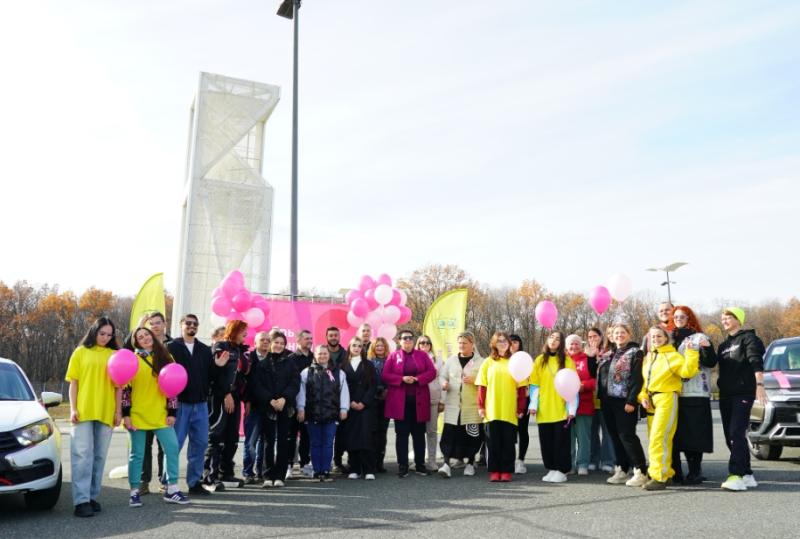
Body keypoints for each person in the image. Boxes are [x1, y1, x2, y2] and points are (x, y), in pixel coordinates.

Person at [122, 327, 189, 507]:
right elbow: (125, 391)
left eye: (146, 335)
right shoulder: (132, 360)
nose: (144, 338)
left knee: (172, 448)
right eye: (140, 337)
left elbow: (173, 388)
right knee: (137, 455)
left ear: (152, 336)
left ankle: (172, 488)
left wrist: (172, 412)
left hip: (160, 415)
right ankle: (134, 492)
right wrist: (126, 415)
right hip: (137, 415)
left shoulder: (166, 357)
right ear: (135, 342)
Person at [65, 317, 122, 518]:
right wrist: (72, 408)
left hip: (106, 411)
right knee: (82, 456)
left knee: (99, 456)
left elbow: (119, 387)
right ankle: (81, 501)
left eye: (109, 335)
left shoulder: (115, 355)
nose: (105, 338)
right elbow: (74, 383)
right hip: (83, 411)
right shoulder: (81, 352)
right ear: (94, 331)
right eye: (102, 333)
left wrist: (118, 412)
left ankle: (91, 496)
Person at [705, 307, 766, 492]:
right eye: (723, 318)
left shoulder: (749, 338)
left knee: (736, 433)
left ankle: (736, 475)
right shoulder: (723, 345)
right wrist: (705, 349)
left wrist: (760, 385)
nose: (724, 320)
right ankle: (747, 474)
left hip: (743, 393)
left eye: (729, 317)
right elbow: (713, 363)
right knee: (729, 436)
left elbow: (756, 360)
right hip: (726, 395)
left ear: (739, 320)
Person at [637, 326, 700, 490]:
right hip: (651, 400)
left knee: (659, 437)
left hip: (666, 398)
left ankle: (659, 477)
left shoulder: (672, 356)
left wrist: (691, 353)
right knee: (654, 438)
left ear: (666, 338)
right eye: (652, 337)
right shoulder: (649, 357)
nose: (655, 339)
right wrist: (642, 397)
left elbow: (687, 372)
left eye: (658, 336)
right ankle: (665, 473)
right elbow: (645, 382)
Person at [167, 314, 220, 496]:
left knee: (200, 443)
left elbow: (211, 376)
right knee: (175, 444)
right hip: (180, 404)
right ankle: (169, 483)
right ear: (181, 325)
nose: (191, 326)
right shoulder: (171, 348)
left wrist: (218, 366)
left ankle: (194, 482)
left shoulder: (205, 350)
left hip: (201, 404)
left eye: (195, 324)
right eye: (188, 323)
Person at [667, 306, 717, 484]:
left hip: (696, 393)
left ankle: (695, 471)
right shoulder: (668, 338)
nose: (679, 319)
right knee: (674, 435)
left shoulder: (699, 337)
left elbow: (711, 361)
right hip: (673, 393)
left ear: (690, 318)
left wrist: (704, 348)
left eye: (683, 316)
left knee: (695, 435)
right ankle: (675, 472)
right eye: (676, 316)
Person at [597, 323, 648, 487]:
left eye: (622, 332)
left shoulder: (635, 352)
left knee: (627, 436)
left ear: (628, 334)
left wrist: (632, 400)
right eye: (615, 333)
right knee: (615, 436)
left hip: (625, 402)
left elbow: (637, 378)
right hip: (607, 402)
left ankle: (641, 470)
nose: (619, 335)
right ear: (611, 336)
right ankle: (622, 469)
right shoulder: (608, 355)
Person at [382, 329, 437, 477]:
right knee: (402, 435)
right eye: (405, 338)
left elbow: (432, 372)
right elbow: (385, 375)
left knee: (419, 434)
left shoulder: (423, 355)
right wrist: (401, 379)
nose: (408, 341)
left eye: (410, 338)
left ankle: (420, 465)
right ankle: (403, 465)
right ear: (399, 341)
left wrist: (418, 378)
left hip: (419, 402)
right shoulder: (393, 356)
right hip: (401, 404)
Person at [248, 330, 299, 488]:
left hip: (285, 406)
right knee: (268, 441)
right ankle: (268, 475)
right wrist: (270, 400)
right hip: (267, 406)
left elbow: (295, 383)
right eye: (276, 342)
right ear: (270, 343)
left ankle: (280, 475)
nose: (278, 346)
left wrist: (284, 398)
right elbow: (257, 385)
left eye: (282, 343)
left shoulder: (290, 362)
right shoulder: (262, 363)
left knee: (283, 441)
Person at [204, 320, 248, 490]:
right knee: (215, 436)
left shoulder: (239, 349)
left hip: (235, 398)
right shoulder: (221, 346)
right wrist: (226, 393)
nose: (245, 334)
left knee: (232, 437)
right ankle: (208, 477)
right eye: (243, 331)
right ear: (234, 330)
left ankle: (226, 473)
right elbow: (215, 374)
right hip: (219, 398)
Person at [477, 331, 527, 482]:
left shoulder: (515, 361)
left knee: (508, 443)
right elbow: (482, 387)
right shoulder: (488, 362)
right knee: (493, 443)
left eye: (505, 341)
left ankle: (506, 471)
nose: (502, 343)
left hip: (509, 410)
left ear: (509, 344)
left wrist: (520, 408)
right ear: (494, 344)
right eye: (499, 341)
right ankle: (494, 470)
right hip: (491, 410)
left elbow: (522, 389)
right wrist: (481, 406)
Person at [529, 331, 578, 483]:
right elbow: (534, 385)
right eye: (551, 337)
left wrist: (571, 409)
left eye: (558, 339)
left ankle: (562, 470)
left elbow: (572, 385)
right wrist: (533, 404)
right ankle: (551, 468)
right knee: (546, 442)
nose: (554, 341)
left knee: (561, 442)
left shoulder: (567, 361)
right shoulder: (539, 360)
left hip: (561, 408)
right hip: (544, 408)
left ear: (561, 343)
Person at [297, 345, 349, 481]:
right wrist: (301, 408)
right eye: (319, 354)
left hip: (331, 414)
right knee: (315, 443)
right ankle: (316, 470)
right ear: (315, 356)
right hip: (312, 414)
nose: (322, 356)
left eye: (325, 354)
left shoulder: (339, 373)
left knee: (327, 443)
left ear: (329, 355)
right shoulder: (306, 372)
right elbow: (301, 392)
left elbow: (343, 392)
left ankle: (325, 470)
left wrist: (344, 409)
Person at [437, 331, 485, 478]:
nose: (461, 345)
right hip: (453, 406)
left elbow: (486, 380)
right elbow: (442, 375)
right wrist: (443, 383)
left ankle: (470, 463)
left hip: (471, 408)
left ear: (472, 344)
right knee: (449, 435)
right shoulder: (451, 360)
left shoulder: (481, 362)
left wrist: (475, 380)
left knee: (472, 436)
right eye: (459, 343)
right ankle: (446, 464)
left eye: (464, 343)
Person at [342, 337, 378, 480]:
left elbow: (373, 386)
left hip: (365, 407)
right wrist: (349, 402)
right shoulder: (343, 365)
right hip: (349, 406)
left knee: (366, 437)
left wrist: (363, 402)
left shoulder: (368, 365)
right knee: (352, 438)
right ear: (349, 347)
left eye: (359, 346)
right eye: (354, 345)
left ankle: (369, 469)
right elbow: (340, 386)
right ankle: (354, 468)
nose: (356, 348)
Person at [585, 328, 615, 473]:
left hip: (605, 399)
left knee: (607, 432)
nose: (592, 339)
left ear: (601, 337)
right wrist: (590, 357)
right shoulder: (586, 354)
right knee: (592, 432)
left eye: (595, 336)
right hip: (588, 400)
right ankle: (593, 459)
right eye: (589, 337)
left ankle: (607, 460)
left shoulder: (608, 353)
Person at [565, 334, 595, 476]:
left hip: (584, 404)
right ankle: (569, 464)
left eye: (576, 343)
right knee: (568, 437)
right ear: (566, 346)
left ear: (581, 345)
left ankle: (583, 463)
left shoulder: (587, 359)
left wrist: (584, 386)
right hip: (565, 407)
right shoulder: (562, 360)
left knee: (583, 437)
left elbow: (594, 380)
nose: (574, 346)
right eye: (571, 344)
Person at [242, 331, 269, 484]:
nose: (265, 342)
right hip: (252, 406)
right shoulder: (249, 359)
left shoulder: (273, 359)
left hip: (268, 407)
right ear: (256, 343)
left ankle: (260, 472)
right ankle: (248, 472)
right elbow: (244, 383)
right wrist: (246, 401)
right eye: (262, 340)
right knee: (250, 442)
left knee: (264, 442)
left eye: (267, 340)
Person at [287, 330, 314, 477]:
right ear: (298, 341)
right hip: (292, 404)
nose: (309, 341)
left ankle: (305, 464)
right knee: (291, 436)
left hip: (309, 405)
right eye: (306, 338)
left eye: (311, 338)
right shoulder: (291, 359)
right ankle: (289, 465)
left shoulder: (314, 358)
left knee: (306, 436)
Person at [416, 335, 443, 471]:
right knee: (417, 431)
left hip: (433, 398)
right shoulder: (413, 358)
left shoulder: (437, 358)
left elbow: (443, 378)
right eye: (422, 343)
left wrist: (442, 400)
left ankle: (432, 461)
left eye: (427, 342)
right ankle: (418, 460)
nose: (424, 345)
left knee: (432, 431)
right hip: (417, 398)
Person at [325, 326, 348, 472]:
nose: (334, 337)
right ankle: (320, 463)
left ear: (339, 337)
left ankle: (338, 461)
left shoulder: (346, 354)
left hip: (341, 398)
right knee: (324, 434)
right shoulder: (320, 353)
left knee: (341, 433)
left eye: (336, 335)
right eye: (331, 335)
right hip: (325, 399)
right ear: (326, 337)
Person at [368, 336, 392, 472]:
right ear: (373, 348)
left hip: (386, 401)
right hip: (373, 401)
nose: (380, 348)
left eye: (382, 345)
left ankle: (380, 462)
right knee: (373, 431)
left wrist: (387, 391)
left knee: (382, 432)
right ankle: (371, 461)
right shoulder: (369, 362)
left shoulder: (391, 361)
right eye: (377, 345)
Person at [509, 335, 529, 474]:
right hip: (506, 400)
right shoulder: (502, 359)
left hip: (523, 399)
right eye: (510, 342)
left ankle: (520, 460)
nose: (512, 344)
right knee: (509, 431)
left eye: (515, 342)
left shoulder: (525, 359)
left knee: (522, 430)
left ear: (520, 344)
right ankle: (508, 460)